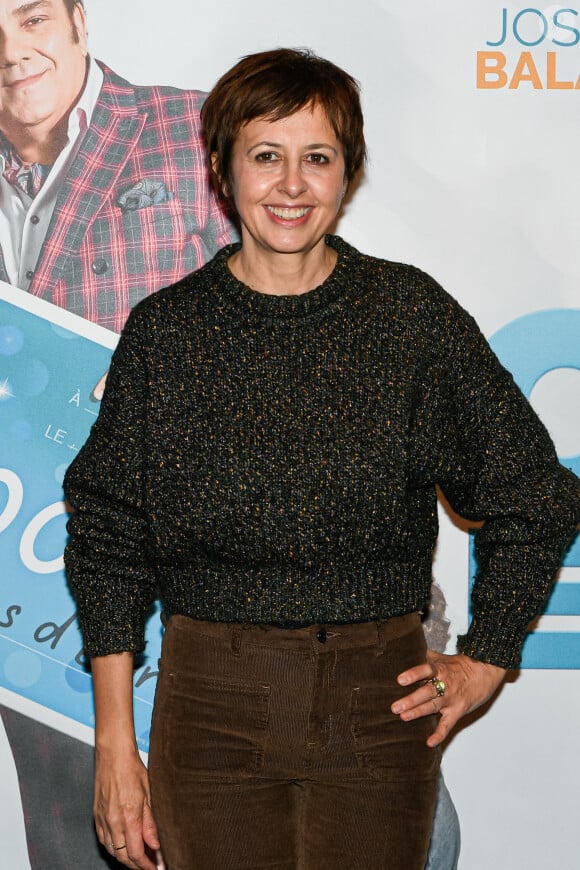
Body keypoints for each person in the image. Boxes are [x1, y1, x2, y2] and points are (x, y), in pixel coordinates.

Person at [63, 48, 579, 870]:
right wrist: (116, 748)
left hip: (379, 710)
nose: (292, 186)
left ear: (350, 171)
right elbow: (106, 543)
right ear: (221, 171)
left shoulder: (409, 317)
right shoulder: (168, 333)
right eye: (266, 156)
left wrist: (487, 658)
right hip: (209, 711)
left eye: (318, 158)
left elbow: (537, 496)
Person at [0, 0, 233, 332]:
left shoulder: (199, 126)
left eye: (34, 20)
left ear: (77, 23)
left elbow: (280, 305)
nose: (10, 52)